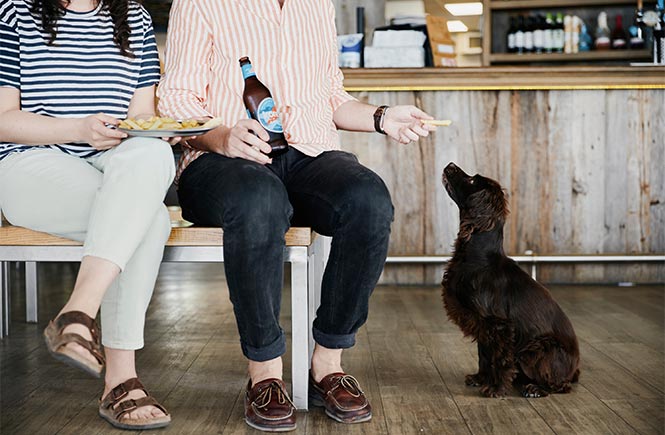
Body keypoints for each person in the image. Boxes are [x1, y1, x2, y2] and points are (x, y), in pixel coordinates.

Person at [158, 0, 437, 431]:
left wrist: (383, 118)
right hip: (218, 159)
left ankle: (327, 364)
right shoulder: (200, 3)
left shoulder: (316, 4)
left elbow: (331, 97)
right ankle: (265, 374)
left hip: (306, 153)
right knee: (260, 199)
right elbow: (176, 101)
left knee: (368, 199)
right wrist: (223, 137)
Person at [0, 0, 177, 430]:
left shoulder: (133, 16)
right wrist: (77, 129)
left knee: (151, 149)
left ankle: (77, 313)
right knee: (149, 220)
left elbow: (138, 116)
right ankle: (122, 378)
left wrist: (155, 130)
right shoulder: (14, 12)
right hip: (31, 162)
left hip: (112, 165)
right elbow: (2, 120)